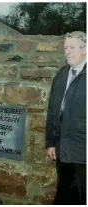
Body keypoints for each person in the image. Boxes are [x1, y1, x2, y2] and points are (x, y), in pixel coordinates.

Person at [46, 31, 86, 205]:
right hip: (63, 151)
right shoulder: (61, 75)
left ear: (85, 49)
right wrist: (51, 142)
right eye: (65, 48)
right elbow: (53, 111)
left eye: (72, 47)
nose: (67, 52)